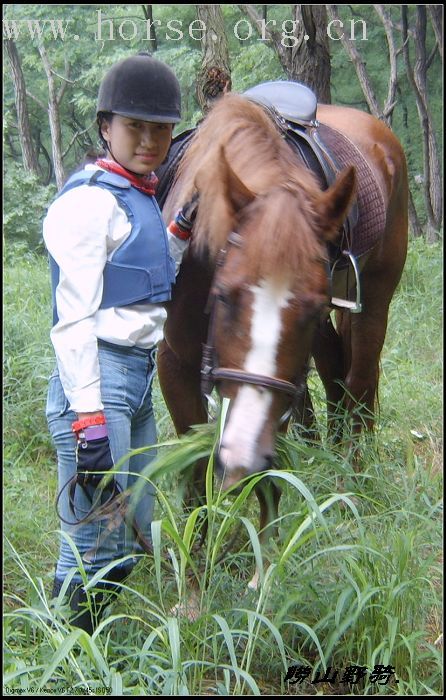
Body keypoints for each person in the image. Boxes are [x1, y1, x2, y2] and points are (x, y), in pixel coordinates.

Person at [44, 53, 195, 633]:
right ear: (107, 126)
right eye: (136, 126)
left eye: (161, 128)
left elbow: (143, 284)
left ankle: (83, 649)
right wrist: (89, 421)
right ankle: (70, 662)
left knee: (130, 533)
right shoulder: (88, 202)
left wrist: (176, 234)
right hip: (98, 383)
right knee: (97, 542)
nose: (150, 140)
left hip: (135, 381)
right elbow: (74, 319)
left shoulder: (139, 198)